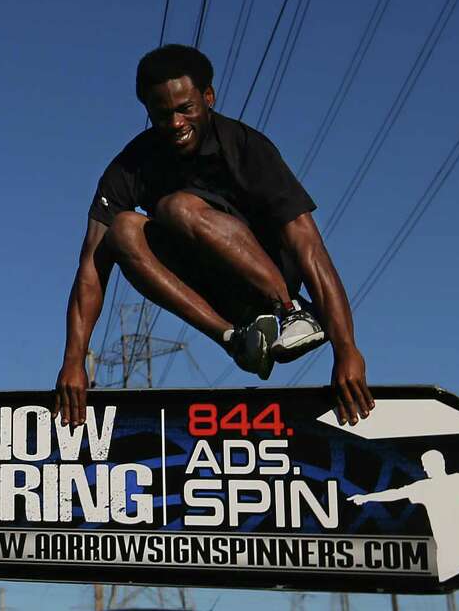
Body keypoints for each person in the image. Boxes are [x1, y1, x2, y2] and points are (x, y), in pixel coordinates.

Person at [53, 45, 373, 427]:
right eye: (162, 114)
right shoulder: (130, 166)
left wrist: (346, 348)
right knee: (121, 230)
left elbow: (307, 245)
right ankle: (235, 340)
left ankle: (289, 312)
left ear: (208, 97)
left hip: (271, 276)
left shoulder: (245, 147)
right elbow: (91, 265)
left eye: (186, 108)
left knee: (177, 207)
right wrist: (74, 359)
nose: (175, 123)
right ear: (148, 112)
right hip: (219, 295)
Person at [347, 432, 459, 581]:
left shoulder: (455, 482)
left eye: (426, 466)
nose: (424, 470)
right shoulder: (426, 487)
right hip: (447, 555)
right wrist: (366, 498)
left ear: (438, 463)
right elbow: (395, 493)